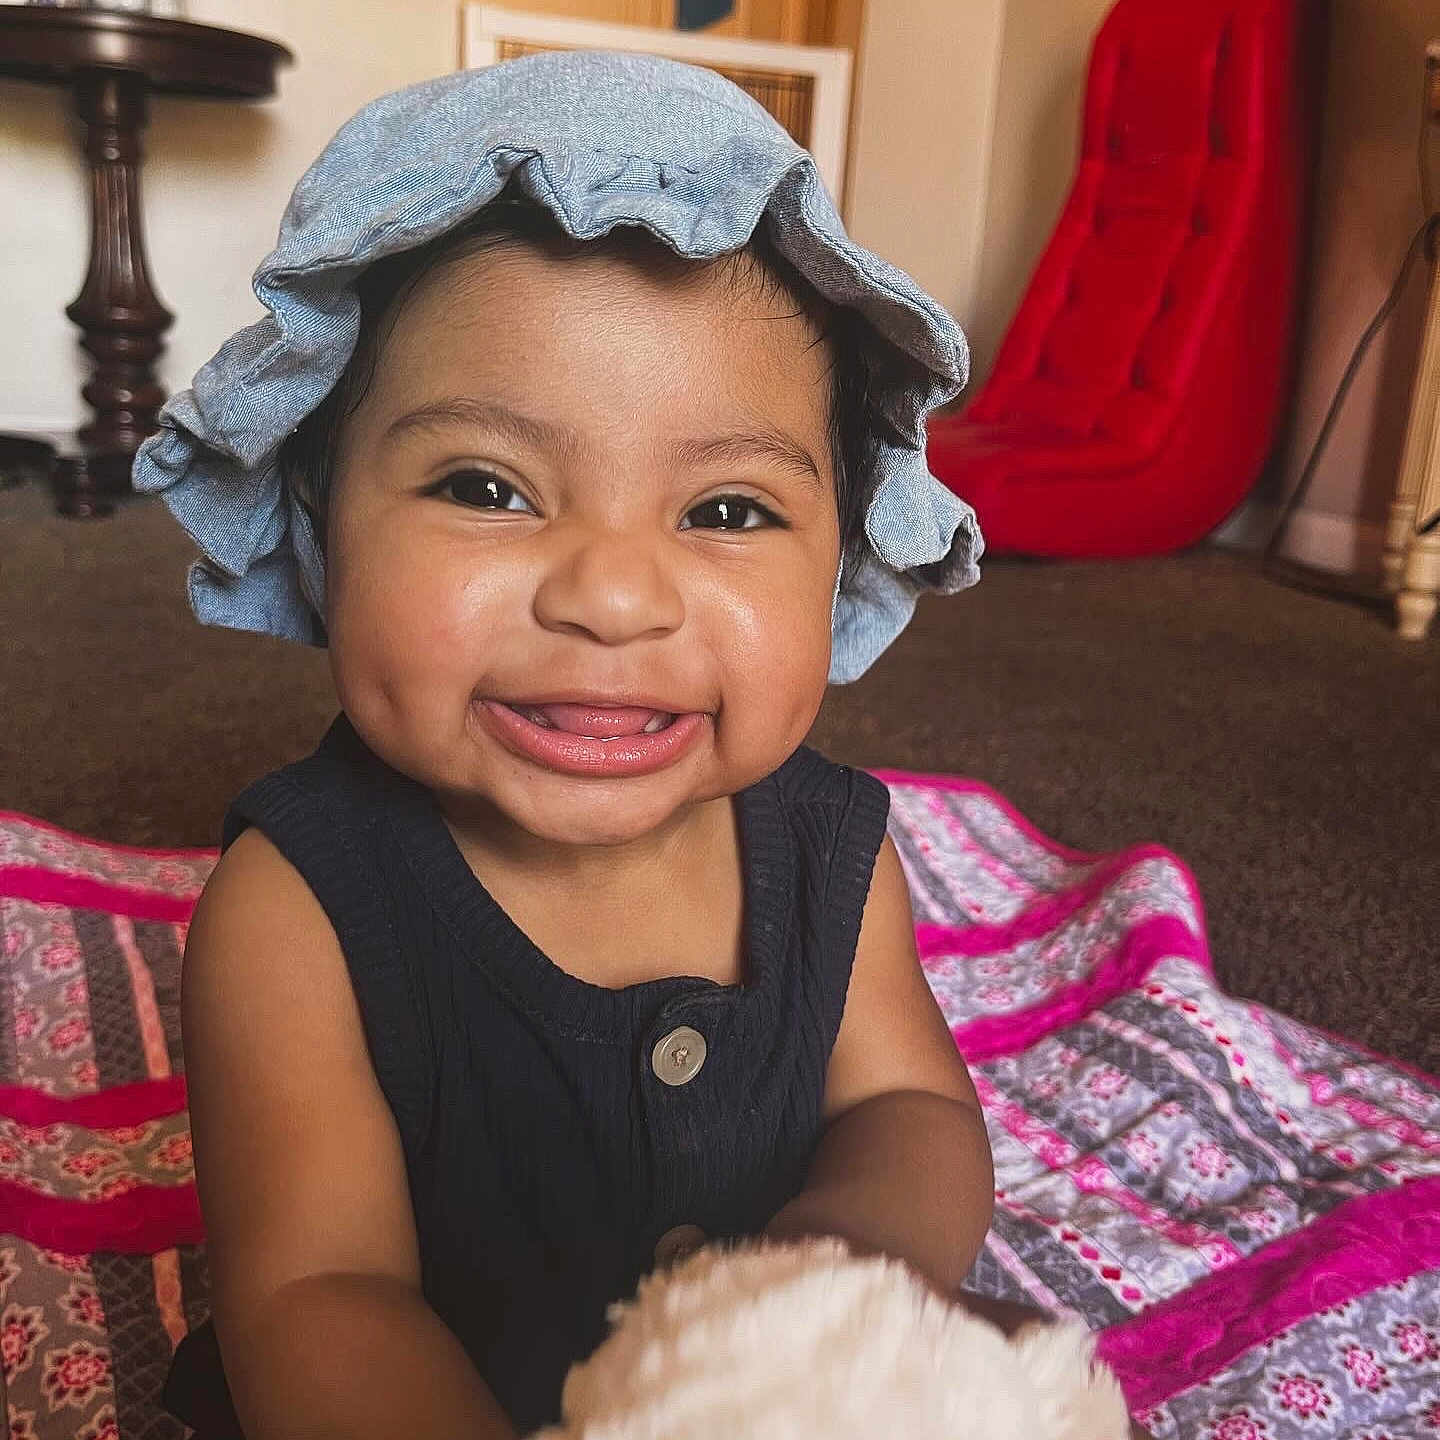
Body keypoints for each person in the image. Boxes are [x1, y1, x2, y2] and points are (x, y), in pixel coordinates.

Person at [136, 50, 994, 1440]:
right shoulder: (296, 909)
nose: (611, 595)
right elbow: (320, 1293)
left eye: (726, 511)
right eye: (488, 488)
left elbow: (912, 1108)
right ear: (318, 522)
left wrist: (838, 1295)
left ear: (845, 564)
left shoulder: (834, 847)